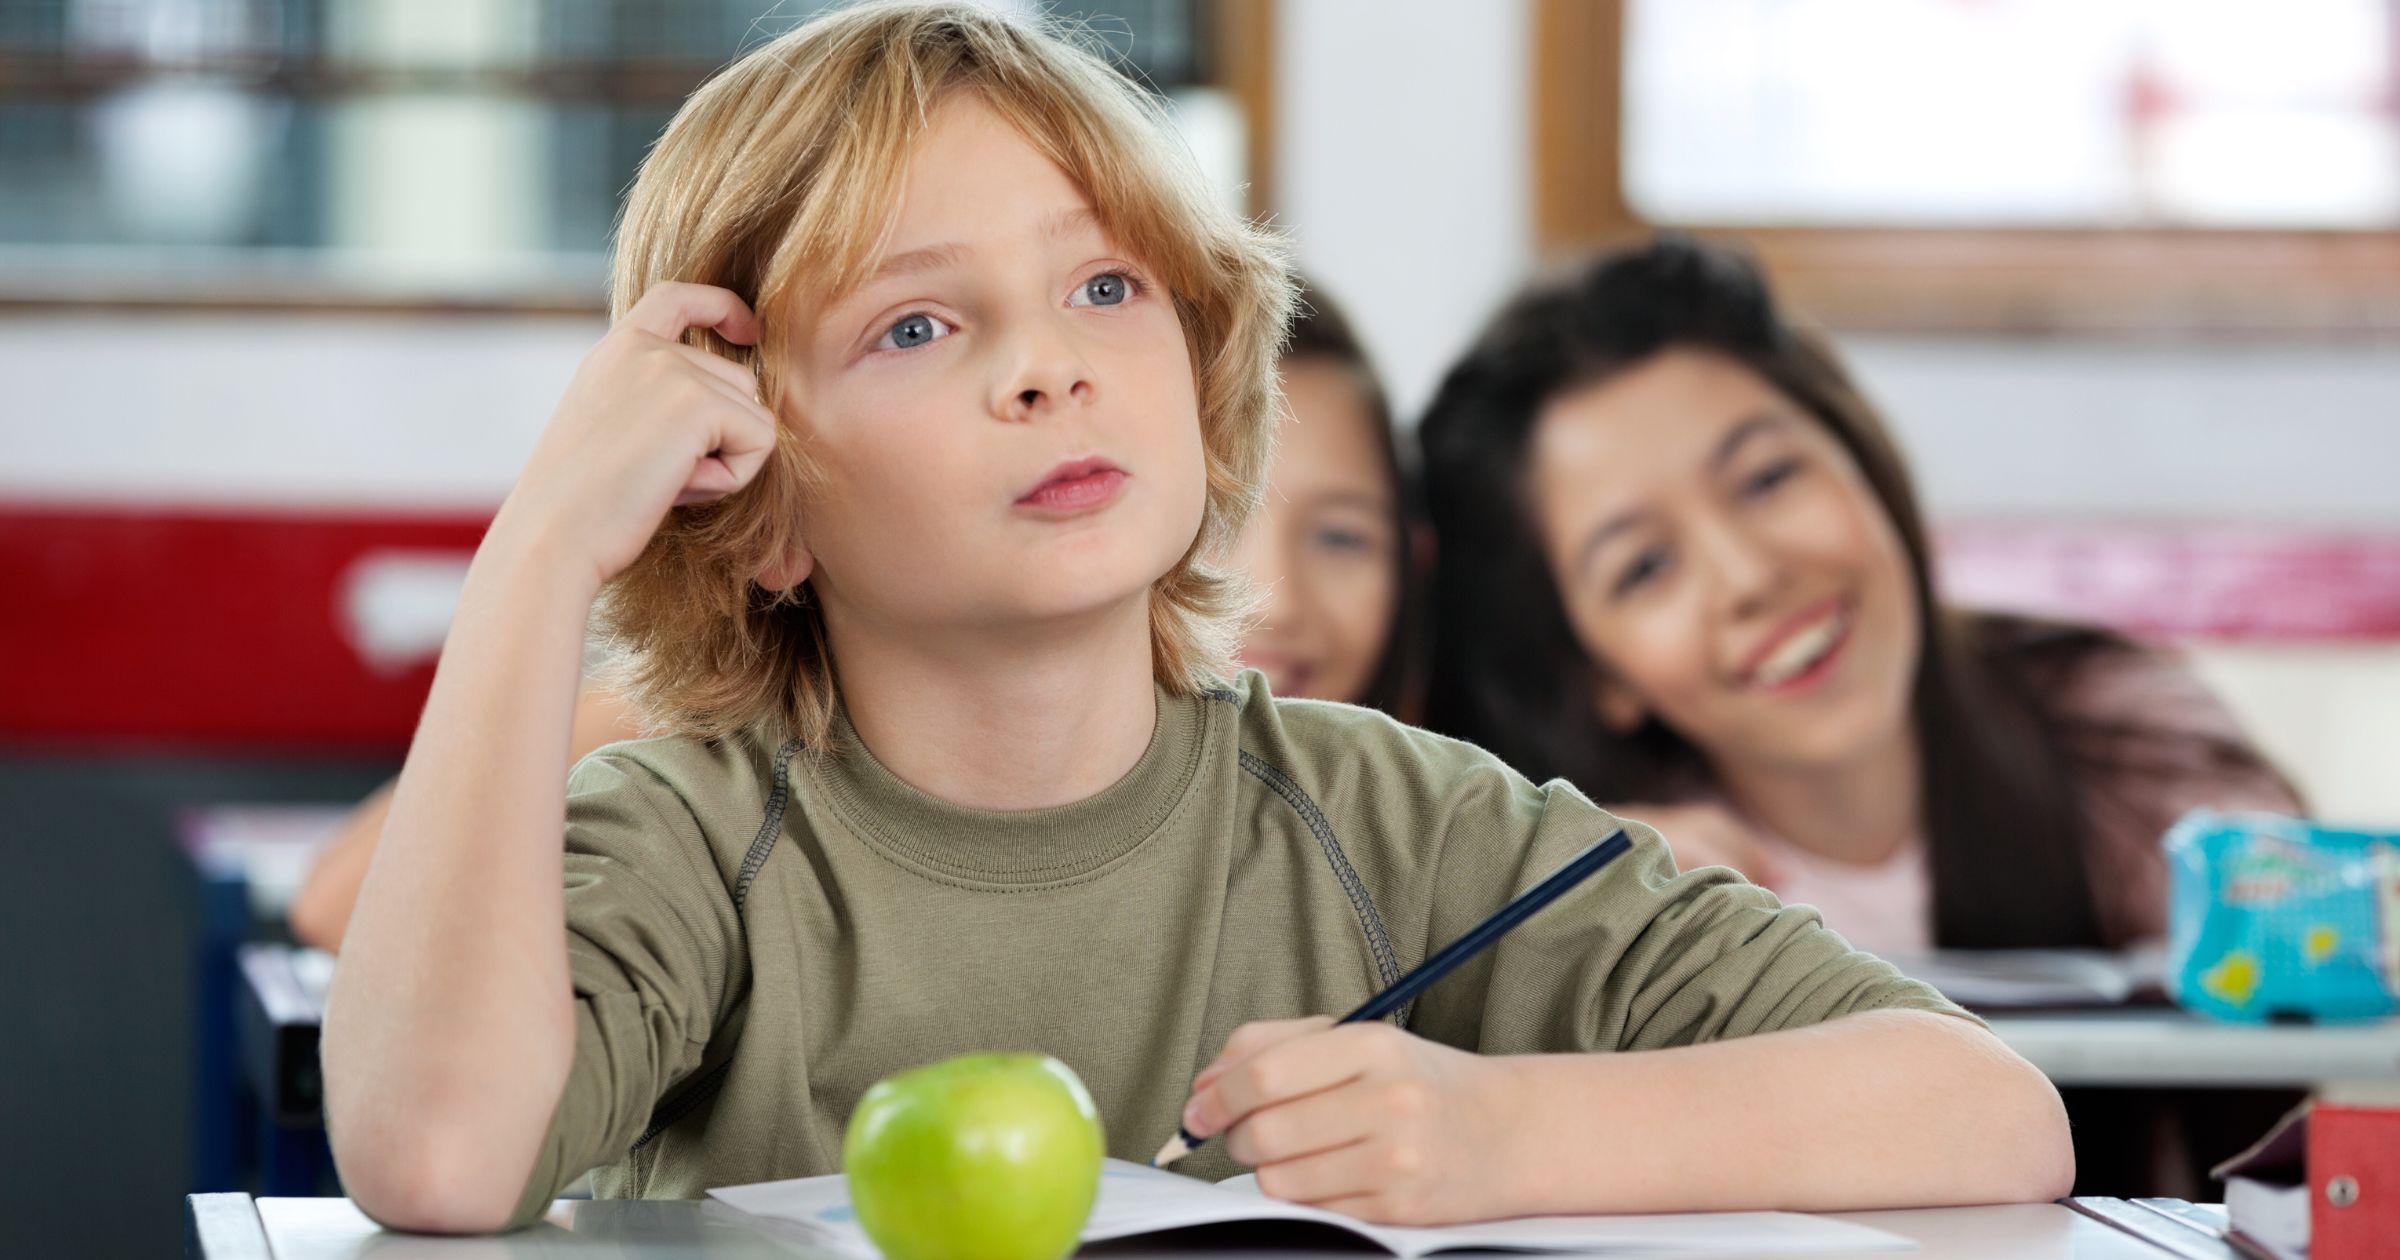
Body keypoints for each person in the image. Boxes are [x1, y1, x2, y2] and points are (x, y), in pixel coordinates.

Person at [321, 4, 2071, 1235]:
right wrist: (539, 552)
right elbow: (435, 1161)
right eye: (920, 328)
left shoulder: (1408, 820)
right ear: (748, 488)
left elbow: (1989, 1114)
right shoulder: (691, 838)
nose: (1051, 366)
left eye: (1106, 285)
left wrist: (1507, 1130)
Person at [1416, 234, 2298, 1196]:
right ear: (1599, 676)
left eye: (1766, 480)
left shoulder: (2120, 728)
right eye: (1644, 567)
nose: (1751, 576)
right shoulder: (1588, 877)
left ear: (1864, 462)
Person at [286, 280, 1417, 953]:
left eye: (1341, 535)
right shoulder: (702, 794)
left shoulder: (1406, 803)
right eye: (1223, 522)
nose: (1274, 597)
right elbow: (348, 909)